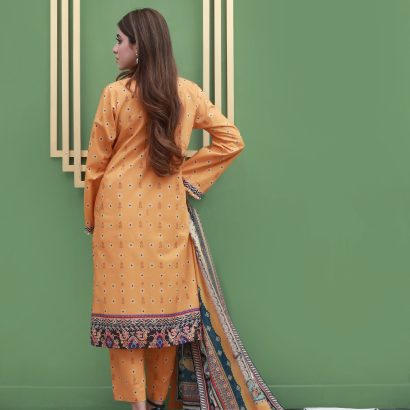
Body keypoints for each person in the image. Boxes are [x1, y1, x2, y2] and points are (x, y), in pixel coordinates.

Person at [83, 7, 263, 410]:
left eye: (119, 40)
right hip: (167, 217)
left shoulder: (115, 95)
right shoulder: (188, 93)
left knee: (123, 316)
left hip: (118, 218)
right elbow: (231, 140)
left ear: (139, 46)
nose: (114, 49)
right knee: (168, 317)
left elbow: (96, 164)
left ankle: (138, 407)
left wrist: (91, 218)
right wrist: (184, 177)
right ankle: (155, 402)